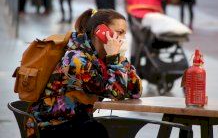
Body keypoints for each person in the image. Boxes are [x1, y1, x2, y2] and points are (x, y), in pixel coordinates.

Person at [26, 9, 143, 138]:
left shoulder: (105, 57)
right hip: (50, 126)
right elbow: (117, 92)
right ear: (100, 31)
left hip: (77, 123)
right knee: (97, 131)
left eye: (124, 34)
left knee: (109, 129)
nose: (123, 38)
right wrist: (114, 58)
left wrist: (118, 58)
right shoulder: (75, 58)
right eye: (119, 33)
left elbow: (135, 91)